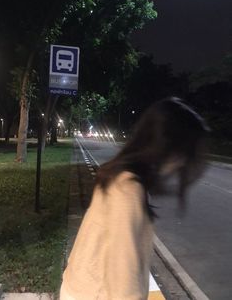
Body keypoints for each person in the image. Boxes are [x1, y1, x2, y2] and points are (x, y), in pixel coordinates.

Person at [60, 97, 210, 300]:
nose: (182, 162)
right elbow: (123, 281)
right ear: (166, 147)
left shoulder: (121, 177)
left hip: (82, 289)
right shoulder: (127, 190)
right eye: (183, 152)